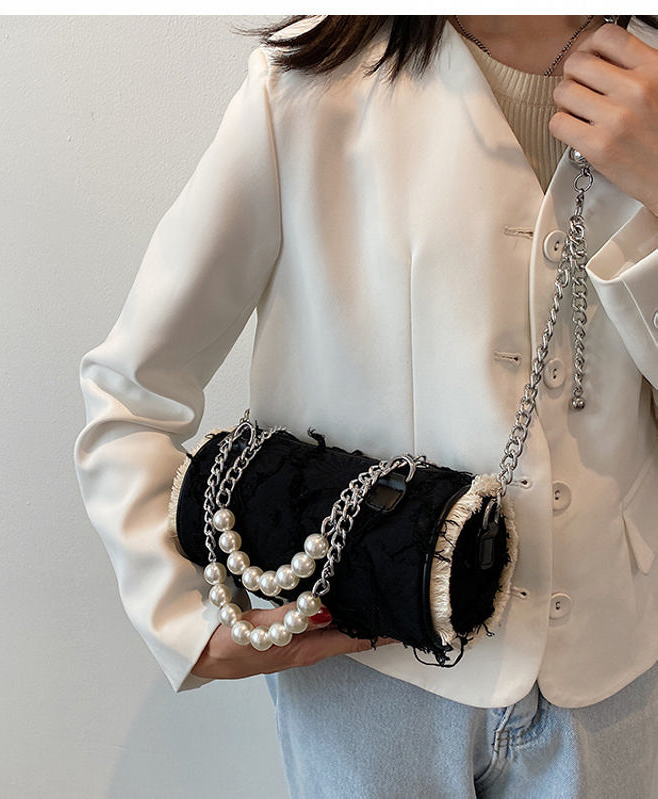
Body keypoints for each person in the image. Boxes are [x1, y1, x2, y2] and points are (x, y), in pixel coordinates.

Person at [74, 15, 658, 797]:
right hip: (369, 676)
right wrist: (183, 617)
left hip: (611, 663)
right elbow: (132, 384)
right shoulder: (309, 90)